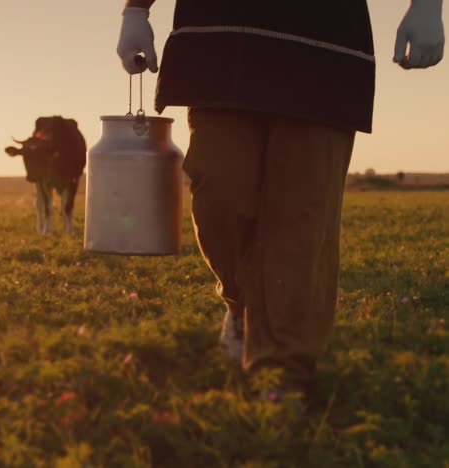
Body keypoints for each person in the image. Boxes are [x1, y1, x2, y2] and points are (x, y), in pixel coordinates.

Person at [117, 0, 445, 403]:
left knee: (301, 219)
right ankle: (244, 306)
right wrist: (136, 10)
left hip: (324, 47)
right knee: (219, 193)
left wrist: (428, 5)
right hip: (217, 44)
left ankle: (282, 373)